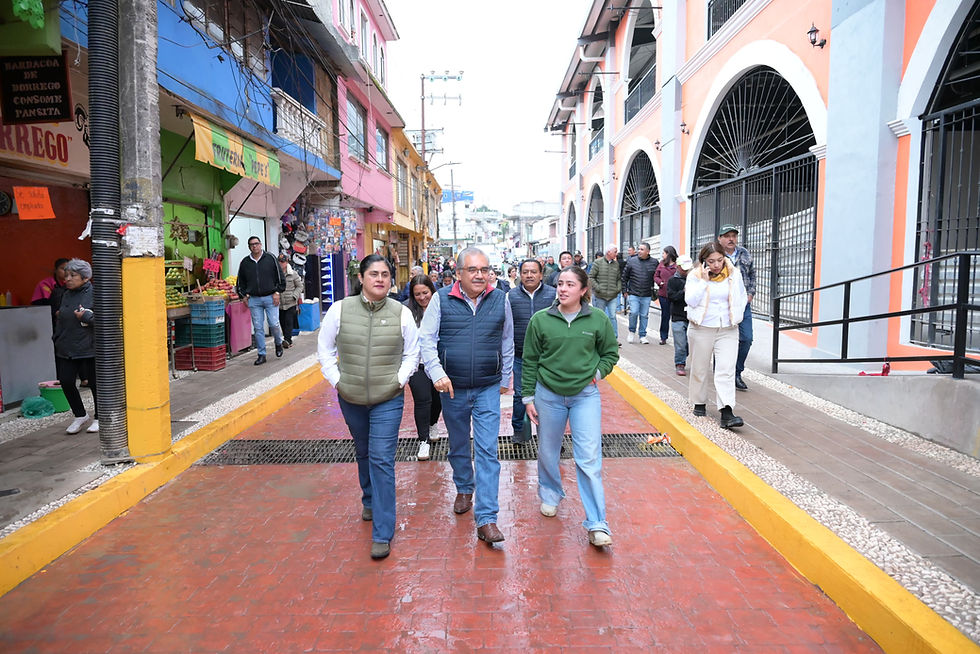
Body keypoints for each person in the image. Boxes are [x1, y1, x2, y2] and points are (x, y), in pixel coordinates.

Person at [317, 254, 420, 560]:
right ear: (360, 278)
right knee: (362, 451)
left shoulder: (401, 313)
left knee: (381, 458)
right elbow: (325, 350)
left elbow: (411, 354)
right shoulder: (339, 310)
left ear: (391, 280)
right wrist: (338, 382)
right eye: (373, 274)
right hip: (350, 398)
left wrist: (397, 382)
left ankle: (383, 532)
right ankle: (369, 498)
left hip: (387, 398)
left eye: (385, 274)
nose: (379, 279)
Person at [419, 247, 514, 545]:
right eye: (472, 269)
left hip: (488, 386)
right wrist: (437, 373)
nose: (479, 275)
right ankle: (463, 486)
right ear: (458, 272)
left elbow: (507, 339)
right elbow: (426, 340)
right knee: (459, 443)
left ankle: (487, 519)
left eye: (484, 270)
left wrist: (506, 377)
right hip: (452, 387)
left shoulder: (500, 299)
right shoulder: (441, 299)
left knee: (488, 450)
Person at [522, 266, 619, 548]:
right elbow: (530, 360)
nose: (562, 289)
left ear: (583, 290)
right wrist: (528, 397)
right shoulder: (541, 320)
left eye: (570, 284)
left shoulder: (598, 319)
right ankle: (550, 494)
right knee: (548, 451)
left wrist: (597, 373)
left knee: (588, 458)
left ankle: (597, 523)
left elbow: (610, 353)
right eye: (560, 284)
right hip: (547, 395)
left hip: (585, 396)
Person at [685, 242, 747, 429]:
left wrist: (737, 315)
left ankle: (726, 411)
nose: (716, 265)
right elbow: (690, 300)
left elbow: (741, 297)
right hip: (702, 327)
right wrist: (704, 281)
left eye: (720, 260)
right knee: (700, 367)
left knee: (726, 369)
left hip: (727, 328)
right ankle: (699, 401)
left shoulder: (734, 274)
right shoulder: (695, 276)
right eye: (711, 261)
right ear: (704, 261)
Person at [507, 258, 556, 444]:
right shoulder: (510, 296)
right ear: (520, 275)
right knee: (520, 394)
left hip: (549, 357)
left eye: (533, 272)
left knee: (549, 396)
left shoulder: (553, 295)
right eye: (525, 272)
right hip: (521, 356)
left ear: (541, 274)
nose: (529, 275)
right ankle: (519, 430)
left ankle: (549, 436)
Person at [53, 259, 98, 434]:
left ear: (85, 278)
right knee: (66, 381)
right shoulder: (66, 294)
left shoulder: (94, 293)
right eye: (67, 275)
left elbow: (105, 319)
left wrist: (86, 318)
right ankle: (80, 415)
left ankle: (99, 417)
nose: (68, 279)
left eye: (73, 275)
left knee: (94, 383)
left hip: (88, 346)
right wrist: (56, 337)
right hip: (66, 345)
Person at [403, 274, 442, 461]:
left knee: (437, 400)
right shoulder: (407, 311)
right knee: (422, 401)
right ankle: (423, 440)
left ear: (432, 291)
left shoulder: (441, 307)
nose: (422, 297)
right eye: (417, 294)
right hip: (417, 364)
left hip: (438, 364)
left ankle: (434, 423)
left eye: (425, 292)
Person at [717, 224, 756, 391]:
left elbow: (753, 275)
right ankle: (721, 370)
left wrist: (751, 293)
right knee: (721, 339)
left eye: (733, 235)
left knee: (746, 339)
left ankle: (736, 372)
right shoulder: (715, 255)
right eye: (727, 235)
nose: (731, 238)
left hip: (742, 305)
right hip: (722, 305)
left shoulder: (744, 253)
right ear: (720, 238)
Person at [236, 236, 286, 365]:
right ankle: (261, 354)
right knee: (258, 328)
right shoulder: (245, 263)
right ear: (249, 247)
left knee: (274, 324)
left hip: (270, 297)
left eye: (256, 244)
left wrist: (277, 292)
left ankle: (278, 343)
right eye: (252, 244)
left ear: (261, 244)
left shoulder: (270, 258)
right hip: (254, 300)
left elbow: (280, 277)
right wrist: (243, 296)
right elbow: (240, 282)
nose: (254, 246)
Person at [621, 243, 659, 344]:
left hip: (646, 294)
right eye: (639, 249)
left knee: (644, 315)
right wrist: (624, 290)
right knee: (633, 312)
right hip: (634, 293)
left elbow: (658, 276)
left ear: (648, 251)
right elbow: (624, 277)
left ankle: (642, 335)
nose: (639, 251)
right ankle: (631, 331)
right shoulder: (632, 261)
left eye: (642, 249)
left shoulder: (654, 262)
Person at [666, 254, 694, 376]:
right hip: (678, 315)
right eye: (683, 269)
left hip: (691, 316)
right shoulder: (672, 281)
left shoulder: (694, 279)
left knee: (689, 343)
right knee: (680, 342)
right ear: (678, 267)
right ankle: (680, 363)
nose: (686, 271)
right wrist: (683, 292)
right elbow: (671, 297)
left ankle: (683, 354)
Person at [588, 244, 621, 344]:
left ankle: (614, 338)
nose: (616, 253)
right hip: (600, 295)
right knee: (600, 316)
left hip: (612, 295)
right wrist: (598, 288)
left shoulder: (616, 264)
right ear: (608, 252)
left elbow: (618, 279)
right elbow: (591, 277)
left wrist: (618, 289)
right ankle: (599, 338)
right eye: (615, 251)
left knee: (612, 316)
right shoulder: (598, 263)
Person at [654, 246, 679, 346]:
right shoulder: (661, 264)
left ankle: (677, 337)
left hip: (675, 295)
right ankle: (663, 337)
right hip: (663, 294)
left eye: (664, 253)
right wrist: (660, 282)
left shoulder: (677, 266)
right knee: (665, 316)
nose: (662, 255)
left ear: (669, 254)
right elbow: (656, 276)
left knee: (676, 316)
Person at [277, 254, 303, 349]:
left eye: (283, 262)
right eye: (279, 262)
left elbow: (300, 286)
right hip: (279, 303)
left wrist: (294, 296)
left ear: (287, 262)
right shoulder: (276, 274)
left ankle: (288, 340)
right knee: (282, 321)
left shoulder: (293, 273)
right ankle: (286, 338)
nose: (281, 264)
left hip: (290, 302)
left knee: (289, 321)